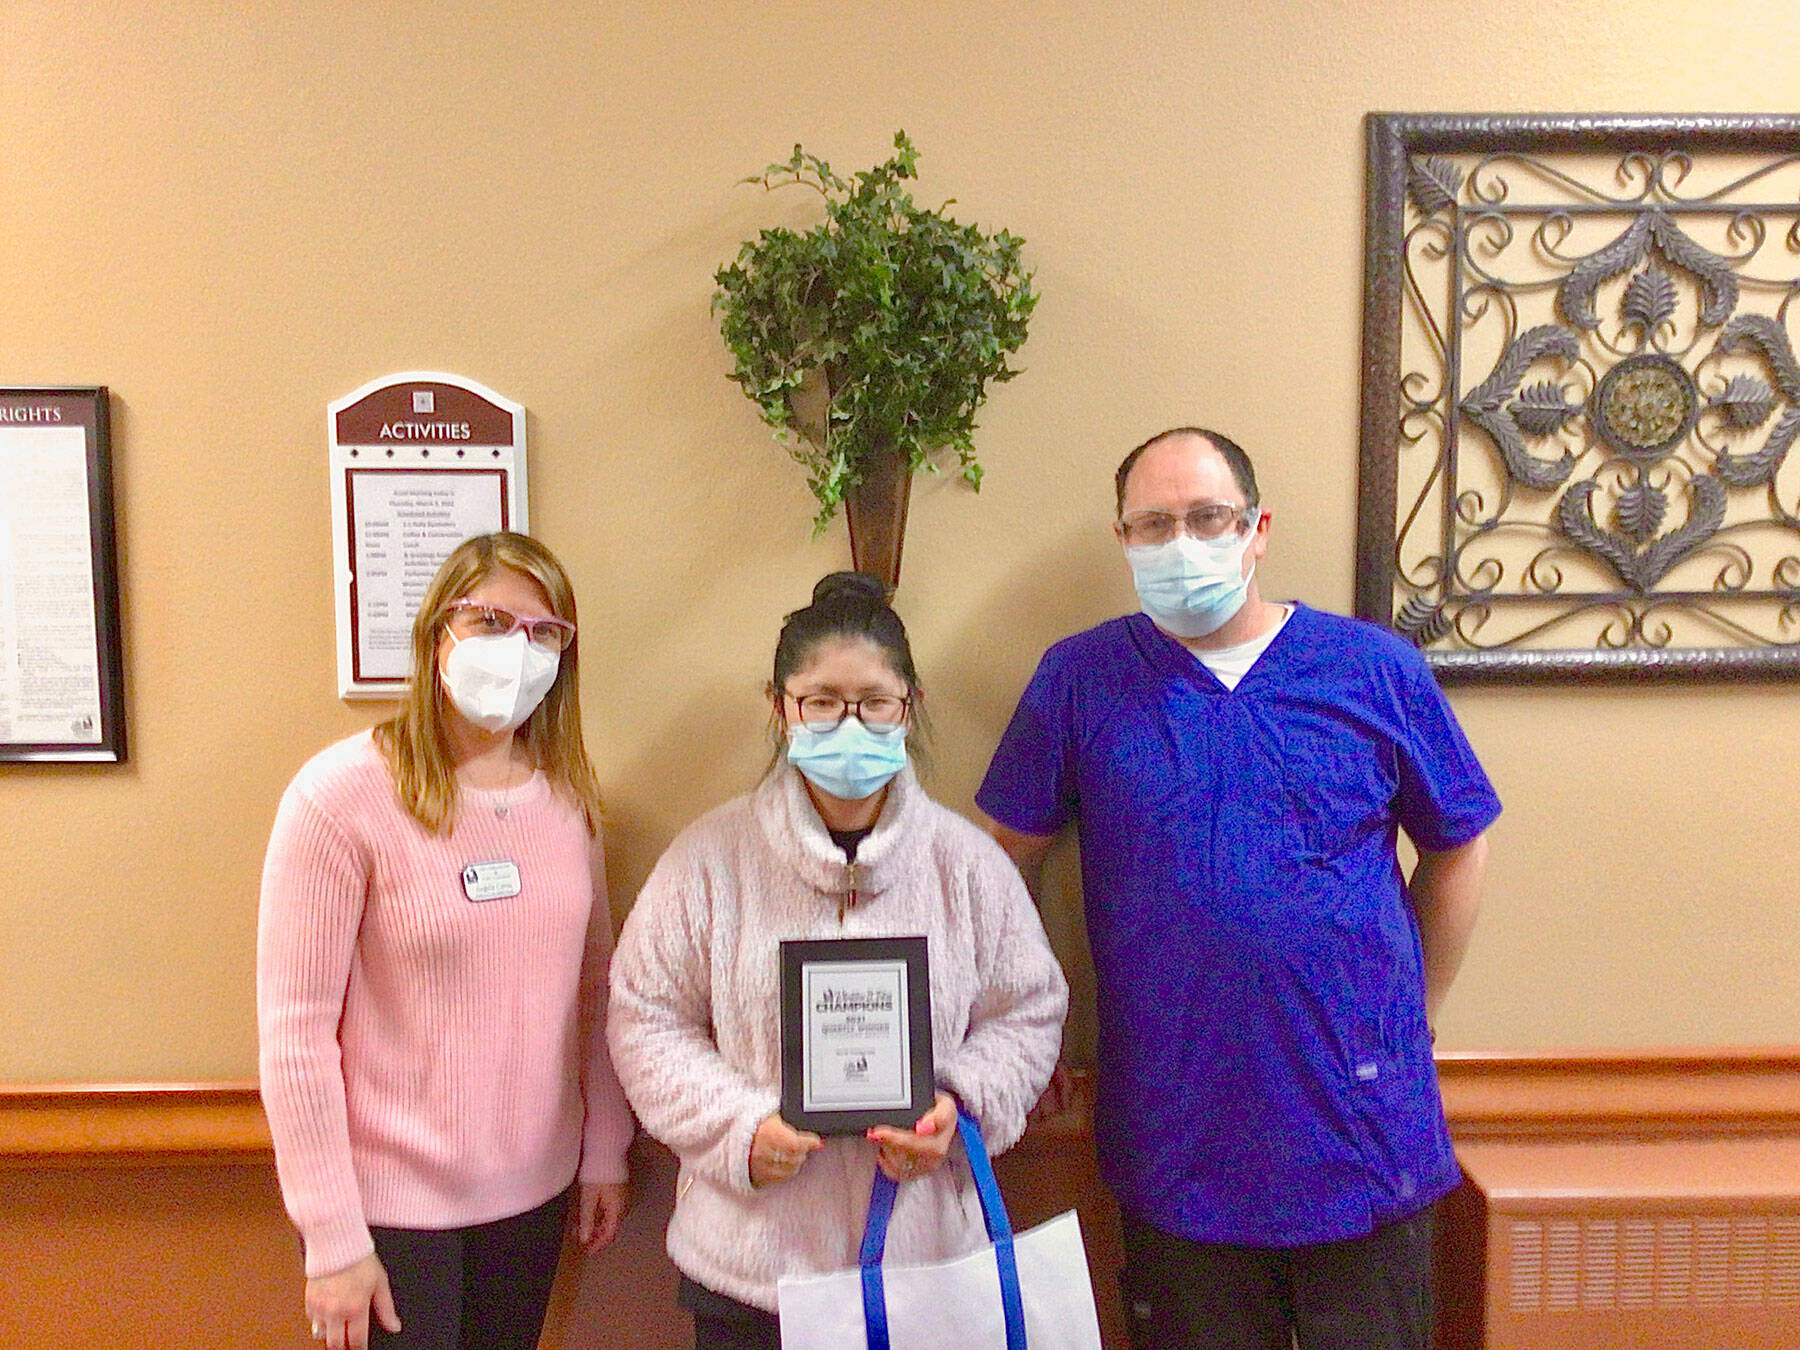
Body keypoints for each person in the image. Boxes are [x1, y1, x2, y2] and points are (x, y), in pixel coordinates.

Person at [976, 428, 1500, 1350]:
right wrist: (1024, 1025)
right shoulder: (1081, 680)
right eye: (1154, 523)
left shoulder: (1374, 671)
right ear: (1124, 541)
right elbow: (998, 856)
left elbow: (1459, 841)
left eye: (1207, 518)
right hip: (1180, 1139)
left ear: (1258, 529)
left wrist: (1417, 1009)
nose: (1182, 542)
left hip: (1359, 1127)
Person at [607, 572, 1068, 1350]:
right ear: (779, 707)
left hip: (925, 1267)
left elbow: (1028, 1011)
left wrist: (958, 1106)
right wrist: (739, 1129)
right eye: (820, 701)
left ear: (909, 706)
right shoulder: (709, 861)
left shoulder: (965, 864)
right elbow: (644, 1017)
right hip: (750, 1274)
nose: (847, 722)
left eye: (873, 702)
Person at [258, 532, 634, 1350]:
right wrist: (330, 1235)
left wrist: (605, 1149)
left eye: (544, 634)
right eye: (491, 620)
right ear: (439, 634)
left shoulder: (569, 800)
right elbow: (295, 1034)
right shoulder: (340, 797)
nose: (517, 649)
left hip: (532, 1199)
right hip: (388, 1217)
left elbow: (597, 990)